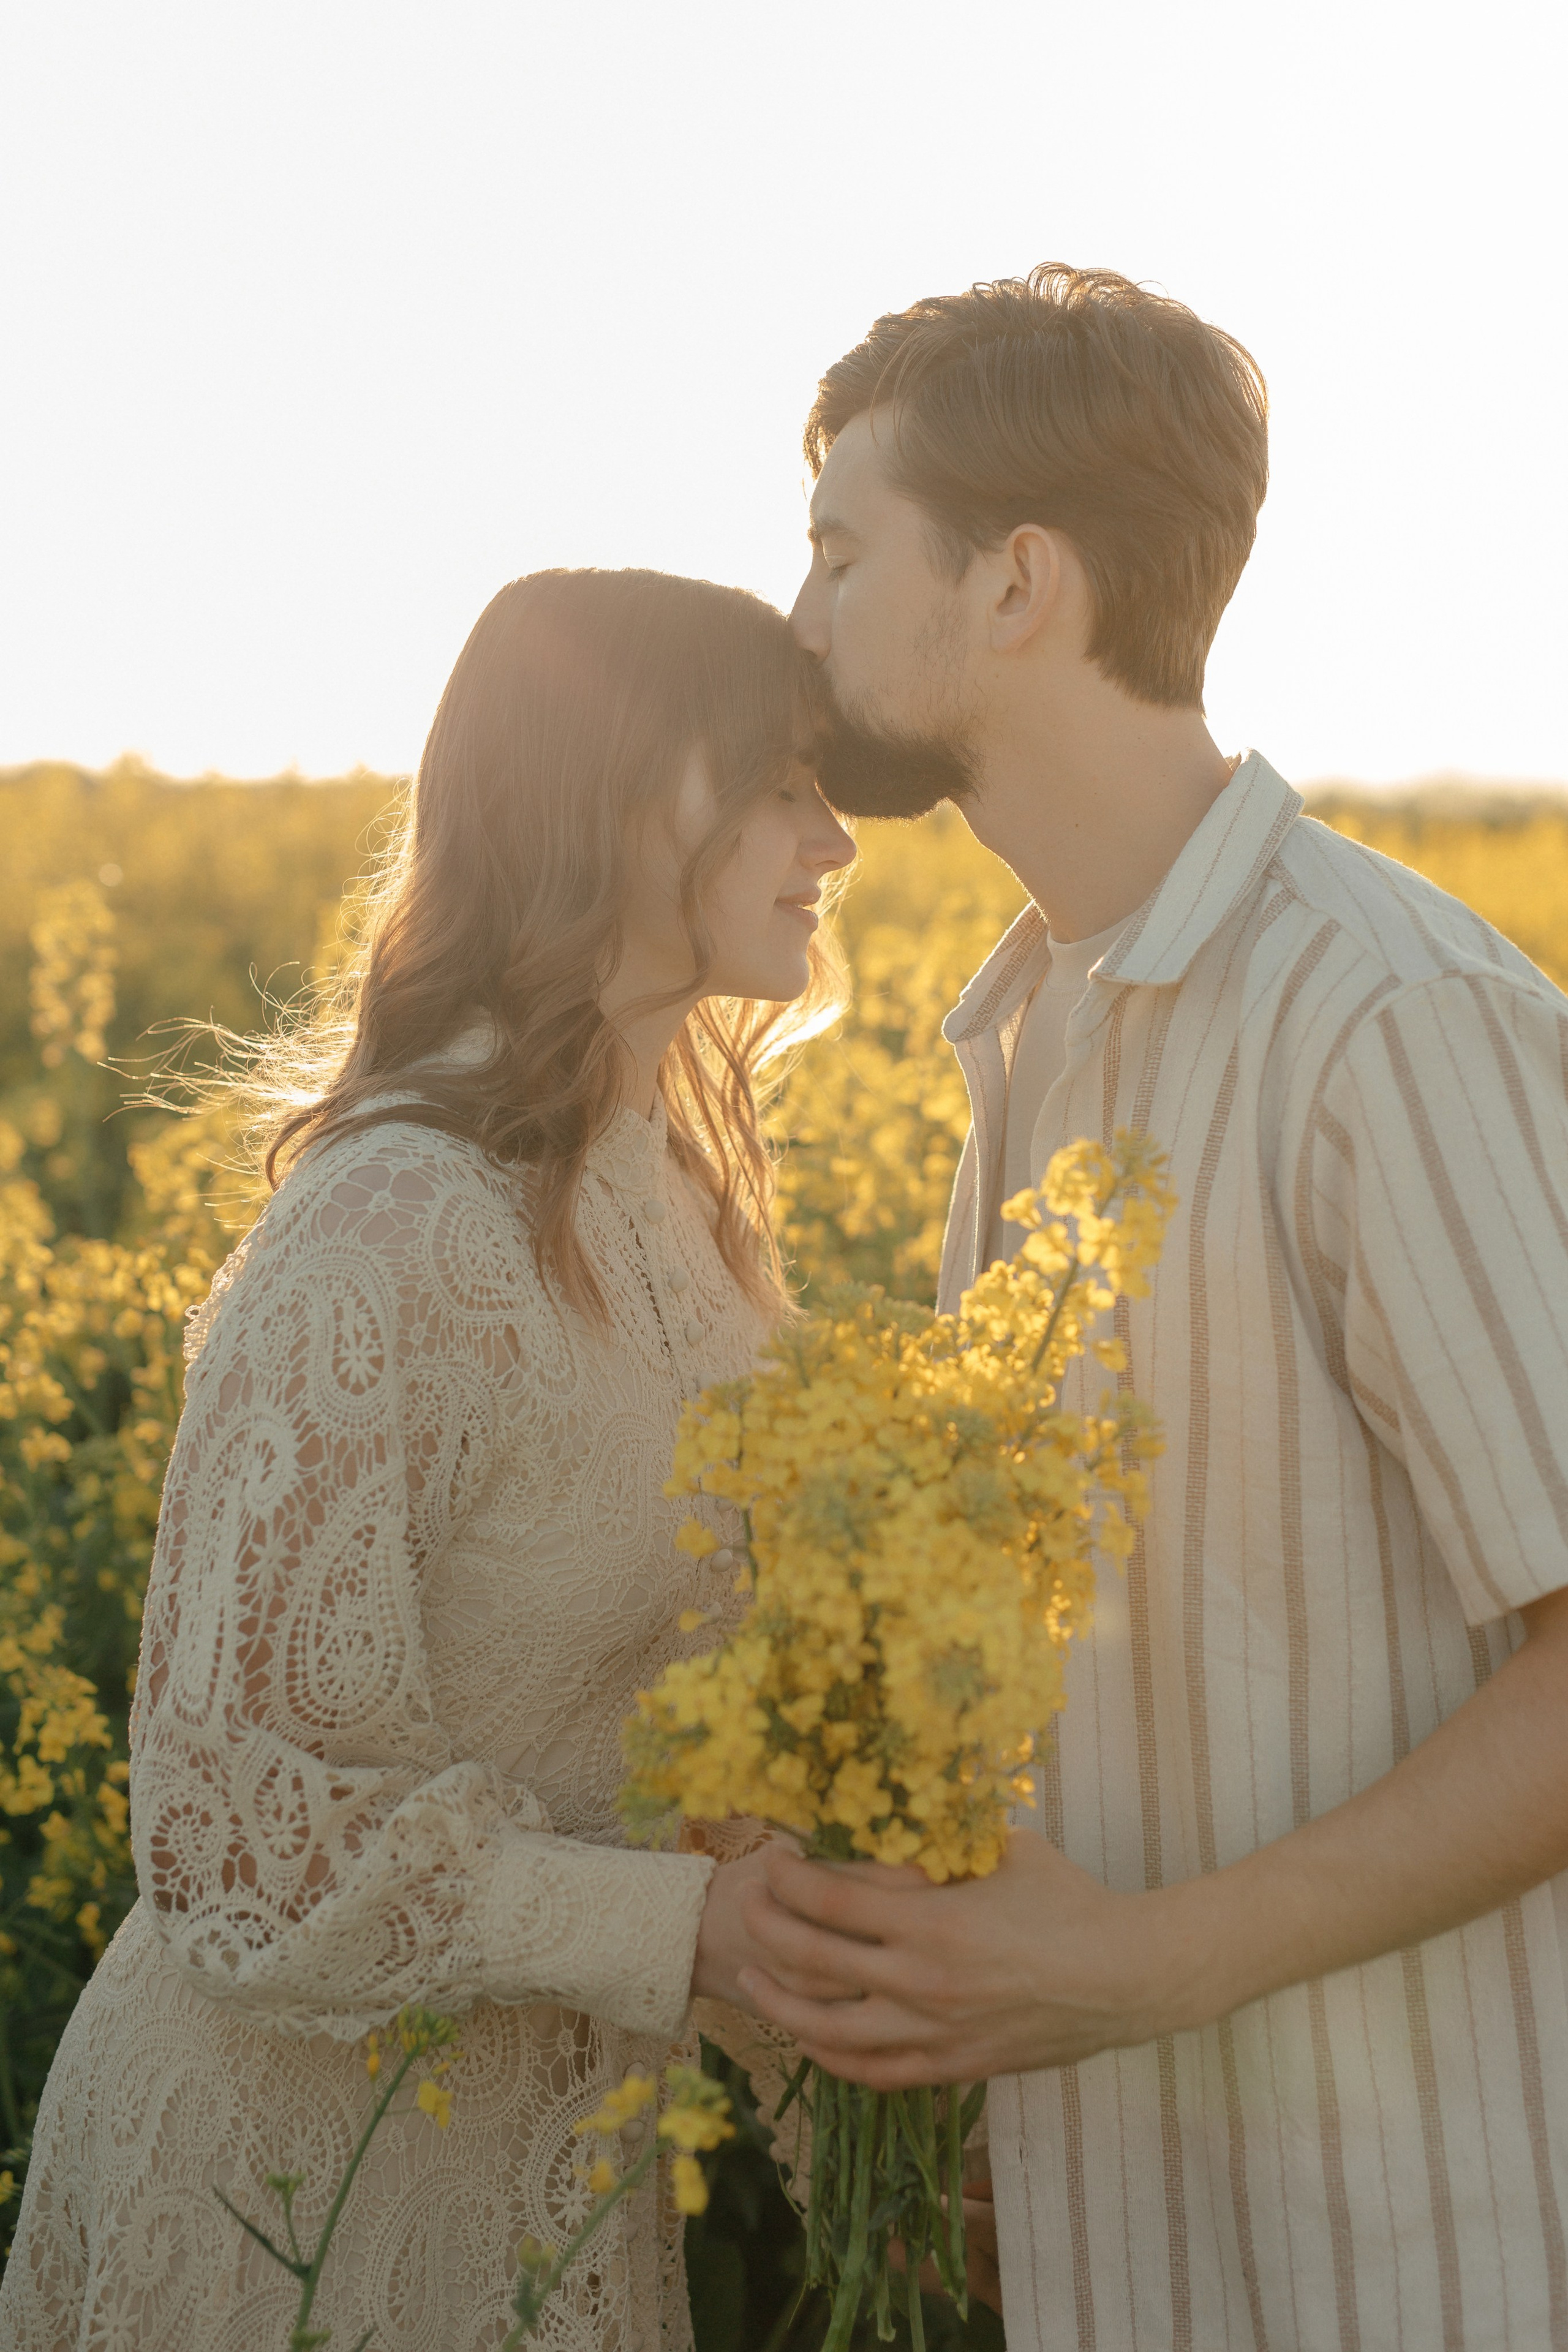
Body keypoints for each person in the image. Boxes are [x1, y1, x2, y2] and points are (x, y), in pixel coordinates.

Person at [737, 265, 1568, 2350]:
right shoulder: (1026, 1035)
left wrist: (1140, 1971)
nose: (802, 618)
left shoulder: (1389, 1020)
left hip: (1419, 2249)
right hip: (1135, 2237)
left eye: (841, 548)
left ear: (1017, 583)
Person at [0, 567, 856, 2351]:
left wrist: (865, 2131)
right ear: (620, 803)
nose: (833, 839)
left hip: (555, 2191)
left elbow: (707, 1755)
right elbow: (234, 1840)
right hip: (282, 2189)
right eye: (778, 782)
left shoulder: (688, 1195)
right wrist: (685, 1929)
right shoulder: (389, 1226)